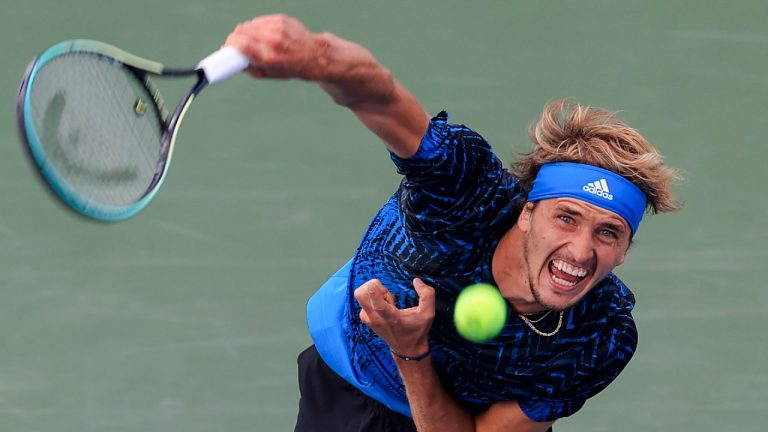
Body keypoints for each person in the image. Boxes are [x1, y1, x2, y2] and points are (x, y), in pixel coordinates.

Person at [225, 14, 682, 432]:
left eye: (608, 233)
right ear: (527, 212)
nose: (582, 251)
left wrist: (411, 349)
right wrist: (317, 57)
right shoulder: (464, 191)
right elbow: (381, 99)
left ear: (624, 251)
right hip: (354, 388)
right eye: (566, 218)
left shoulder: (602, 337)